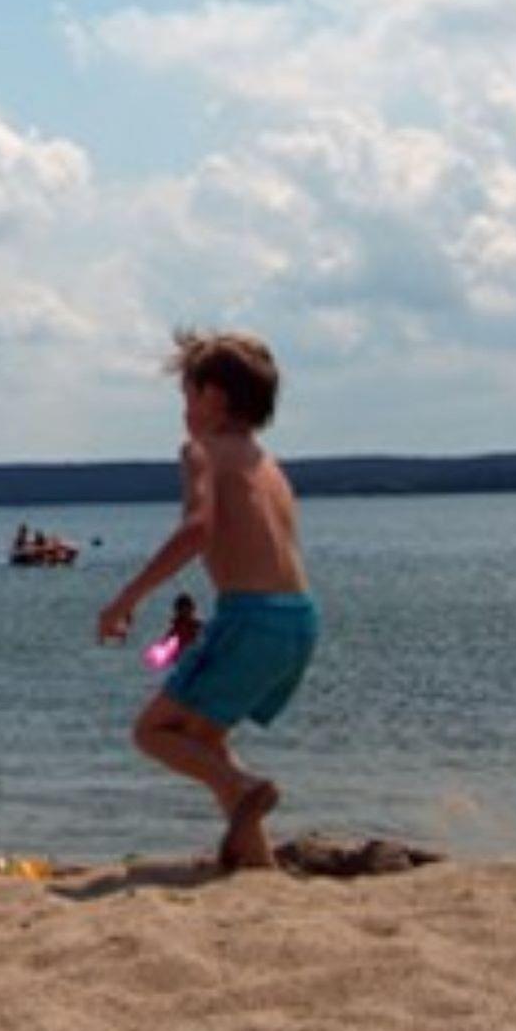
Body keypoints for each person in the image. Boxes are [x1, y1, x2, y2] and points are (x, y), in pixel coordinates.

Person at [96, 329, 317, 872]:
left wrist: (126, 598)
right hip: (299, 618)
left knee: (153, 732)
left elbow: (197, 530)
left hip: (251, 616)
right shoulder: (267, 464)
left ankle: (244, 788)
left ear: (213, 397)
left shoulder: (202, 452)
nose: (184, 412)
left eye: (187, 396)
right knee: (205, 738)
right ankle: (257, 863)